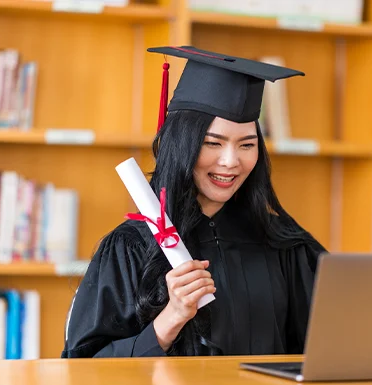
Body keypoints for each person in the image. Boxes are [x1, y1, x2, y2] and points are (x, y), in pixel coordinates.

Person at [61, 46, 327, 359]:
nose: (231, 162)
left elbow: (331, 344)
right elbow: (83, 369)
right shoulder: (131, 247)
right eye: (212, 143)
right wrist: (170, 318)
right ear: (181, 144)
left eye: (247, 145)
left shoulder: (284, 244)